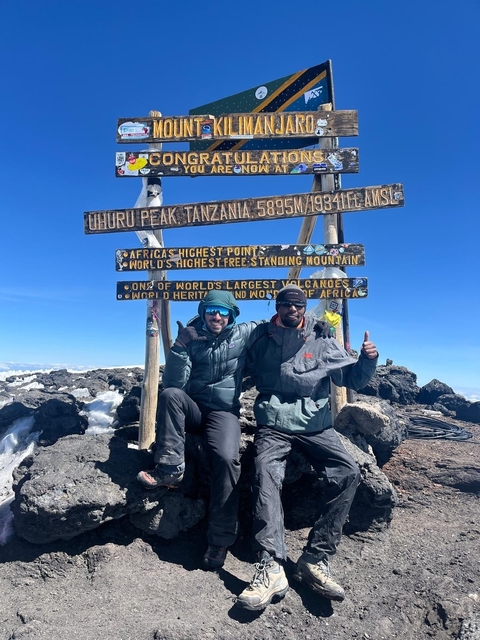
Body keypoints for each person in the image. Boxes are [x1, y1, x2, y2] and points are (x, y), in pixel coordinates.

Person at [236, 284, 378, 611]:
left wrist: (369, 359)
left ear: (304, 308)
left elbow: (351, 379)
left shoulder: (321, 338)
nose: (292, 310)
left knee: (347, 471)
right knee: (264, 473)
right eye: (285, 304)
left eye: (298, 305)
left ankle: (315, 558)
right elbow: (236, 370)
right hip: (273, 421)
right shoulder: (261, 337)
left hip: (315, 423)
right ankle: (270, 565)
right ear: (278, 306)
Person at [137, 290, 263, 571]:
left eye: (222, 311)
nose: (216, 316)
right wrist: (180, 347)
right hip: (192, 407)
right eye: (211, 310)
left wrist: (316, 324)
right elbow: (174, 384)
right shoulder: (192, 337)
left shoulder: (245, 333)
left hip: (223, 413)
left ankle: (219, 540)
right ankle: (170, 467)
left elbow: (282, 320)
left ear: (231, 314)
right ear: (203, 311)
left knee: (227, 460)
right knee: (169, 395)